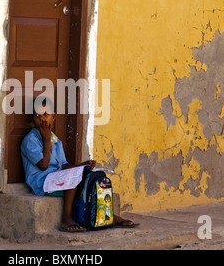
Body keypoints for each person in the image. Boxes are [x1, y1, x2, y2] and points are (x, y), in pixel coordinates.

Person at [21, 97, 139, 232]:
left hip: (56, 178)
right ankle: (66, 218)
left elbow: (63, 166)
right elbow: (43, 165)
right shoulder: (31, 140)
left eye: (46, 114)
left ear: (53, 117)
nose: (42, 119)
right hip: (43, 183)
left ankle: (108, 214)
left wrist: (81, 165)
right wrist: (46, 141)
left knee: (90, 177)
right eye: (37, 115)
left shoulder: (56, 140)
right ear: (32, 119)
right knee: (73, 179)